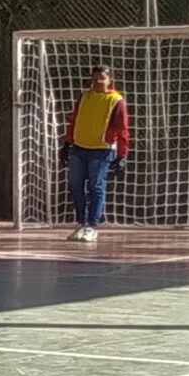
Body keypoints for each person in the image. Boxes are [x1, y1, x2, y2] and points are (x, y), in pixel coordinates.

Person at [61, 65, 129, 243]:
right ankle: (81, 222)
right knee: (75, 185)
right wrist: (67, 143)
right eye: (95, 77)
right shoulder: (85, 96)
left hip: (102, 150)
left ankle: (92, 226)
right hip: (79, 147)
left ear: (109, 80)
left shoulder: (116, 101)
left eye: (102, 78)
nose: (98, 81)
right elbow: (74, 120)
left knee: (96, 186)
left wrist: (122, 155)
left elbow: (123, 130)